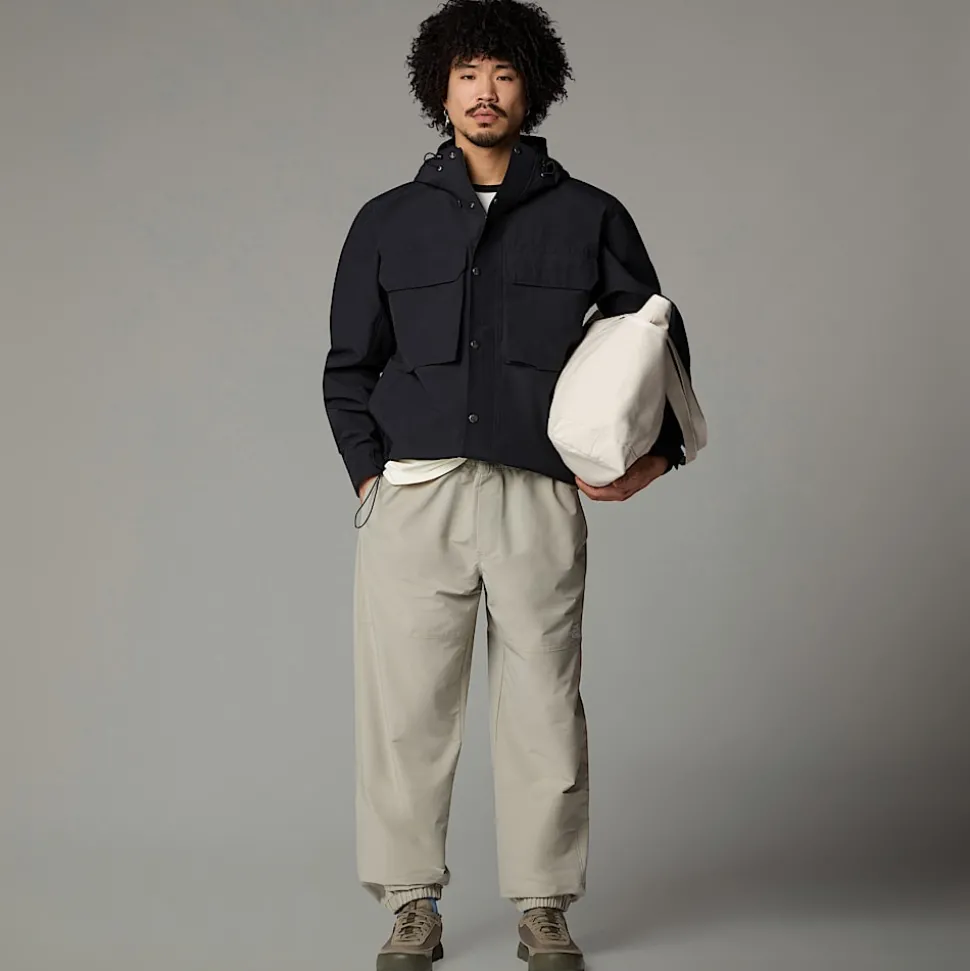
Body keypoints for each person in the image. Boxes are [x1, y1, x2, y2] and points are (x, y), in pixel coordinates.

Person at [322, 2, 692, 968]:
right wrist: (368, 475)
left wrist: (655, 457)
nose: (484, 93)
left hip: (536, 493)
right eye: (467, 74)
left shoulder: (588, 215)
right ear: (439, 89)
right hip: (415, 495)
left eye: (503, 74)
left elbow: (654, 336)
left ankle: (544, 905)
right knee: (405, 711)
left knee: (545, 703)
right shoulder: (387, 221)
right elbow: (348, 364)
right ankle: (410, 903)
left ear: (532, 89)